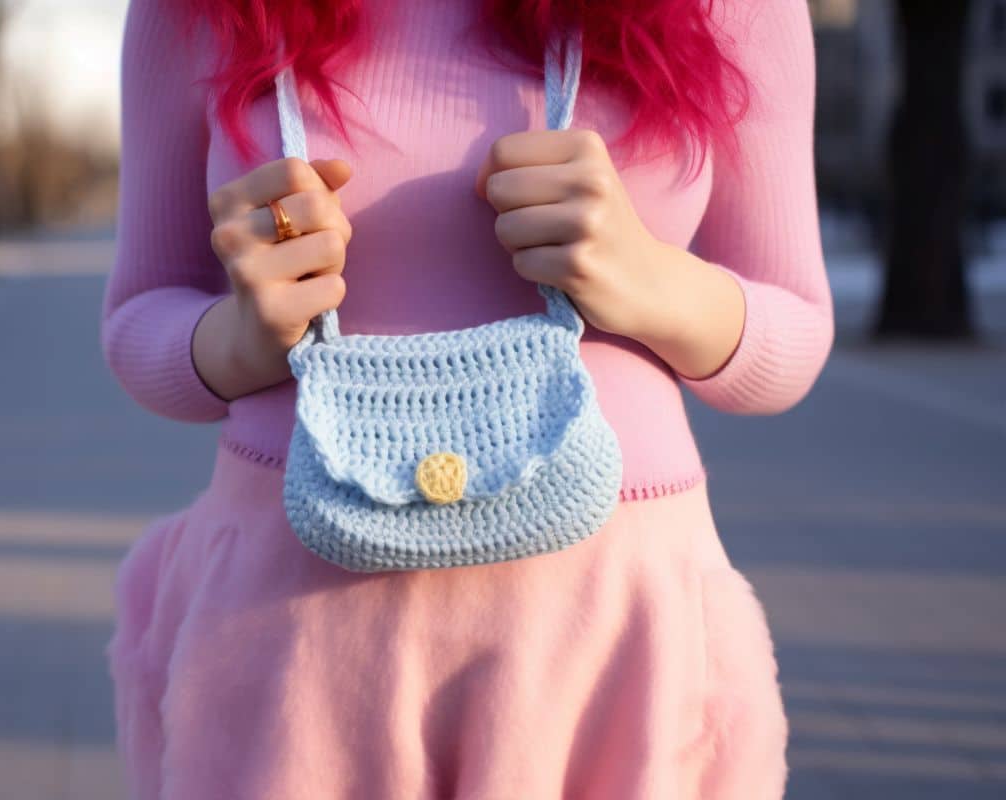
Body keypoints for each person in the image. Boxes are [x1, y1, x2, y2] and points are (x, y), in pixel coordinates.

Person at [99, 0, 832, 797]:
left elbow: (795, 328)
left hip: (608, 642)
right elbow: (139, 314)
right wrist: (237, 339)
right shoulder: (208, 13)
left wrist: (651, 280)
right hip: (293, 643)